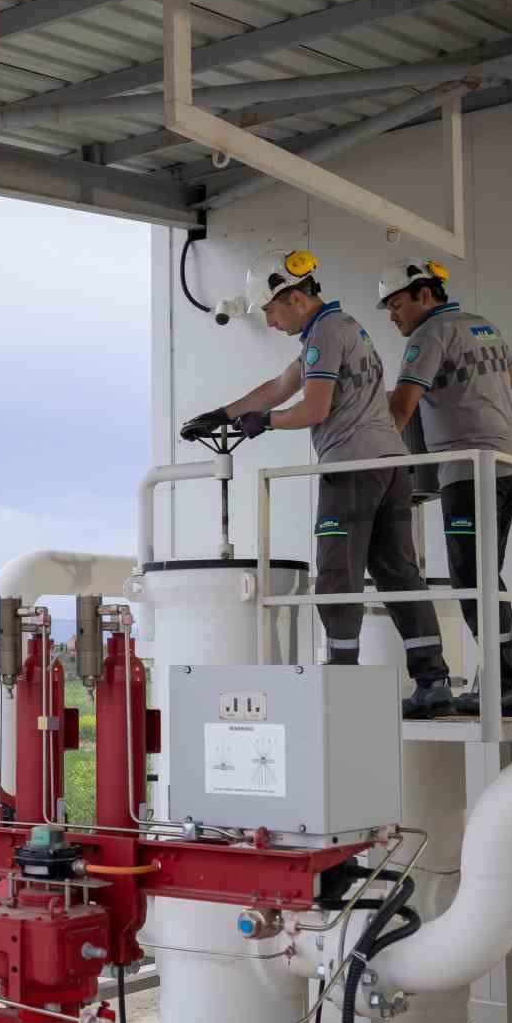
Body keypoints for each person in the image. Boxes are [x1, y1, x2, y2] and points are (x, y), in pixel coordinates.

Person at [180, 249, 453, 718]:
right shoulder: (341, 328)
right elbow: (279, 385)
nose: (268, 321)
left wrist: (264, 423)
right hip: (391, 466)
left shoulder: (324, 334)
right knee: (399, 575)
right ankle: (434, 680)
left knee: (336, 572)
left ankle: (342, 678)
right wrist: (221, 415)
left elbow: (313, 409)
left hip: (351, 469)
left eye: (269, 309)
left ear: (293, 298)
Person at [379, 259, 512, 716]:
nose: (392, 315)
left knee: (471, 579)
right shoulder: (481, 326)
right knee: (484, 578)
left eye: (396, 303)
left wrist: (372, 455)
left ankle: (506, 685)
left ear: (425, 295)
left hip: (470, 470)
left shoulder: (428, 336)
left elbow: (403, 407)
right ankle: (502, 683)